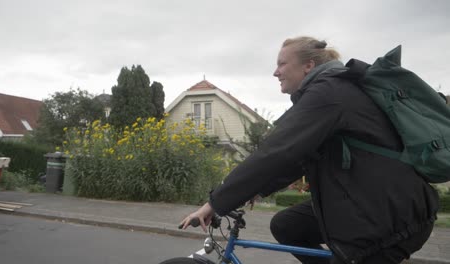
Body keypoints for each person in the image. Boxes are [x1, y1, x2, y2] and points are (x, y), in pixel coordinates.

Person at [180, 36, 439, 264]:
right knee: (287, 225)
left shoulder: (328, 93)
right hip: (378, 203)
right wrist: (257, 189)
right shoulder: (330, 91)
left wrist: (215, 203)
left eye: (282, 63)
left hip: (388, 216)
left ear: (308, 66)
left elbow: (276, 151)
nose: (275, 72)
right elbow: (296, 158)